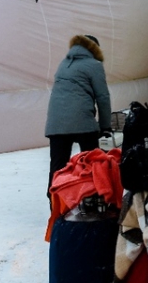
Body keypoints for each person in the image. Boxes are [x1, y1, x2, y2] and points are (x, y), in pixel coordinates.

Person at [45, 34, 112, 193]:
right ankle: (94, 197)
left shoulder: (63, 64)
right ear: (94, 49)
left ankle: (55, 206)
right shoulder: (94, 65)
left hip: (56, 124)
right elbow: (102, 97)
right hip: (83, 122)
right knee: (92, 163)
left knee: (57, 167)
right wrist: (105, 127)